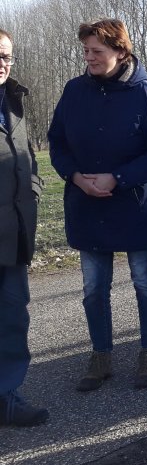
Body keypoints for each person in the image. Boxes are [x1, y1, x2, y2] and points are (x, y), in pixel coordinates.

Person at [48, 19, 147, 391]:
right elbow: (57, 143)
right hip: (87, 204)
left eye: (96, 51)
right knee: (93, 287)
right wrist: (73, 176)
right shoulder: (74, 91)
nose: (88, 57)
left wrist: (118, 178)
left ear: (120, 52)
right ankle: (100, 355)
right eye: (86, 51)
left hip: (137, 205)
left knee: (145, 282)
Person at [0, 28, 48, 426]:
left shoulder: (13, 103)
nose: (2, 64)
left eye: (7, 57)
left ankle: (6, 396)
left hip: (14, 235)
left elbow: (27, 157)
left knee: (14, 318)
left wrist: (32, 189)